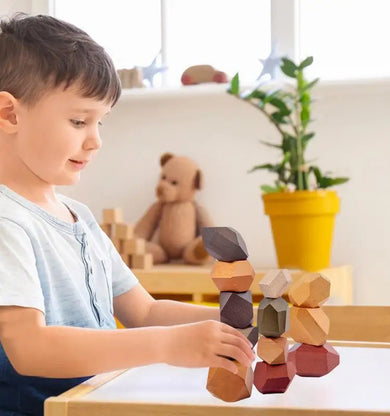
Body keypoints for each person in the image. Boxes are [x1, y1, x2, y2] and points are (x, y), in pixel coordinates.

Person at [0, 14, 255, 416]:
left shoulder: (77, 216)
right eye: (79, 120)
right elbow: (29, 350)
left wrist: (236, 327)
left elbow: (144, 312)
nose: (96, 139)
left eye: (101, 122)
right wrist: (169, 345)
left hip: (97, 404)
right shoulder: (6, 223)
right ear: (9, 113)